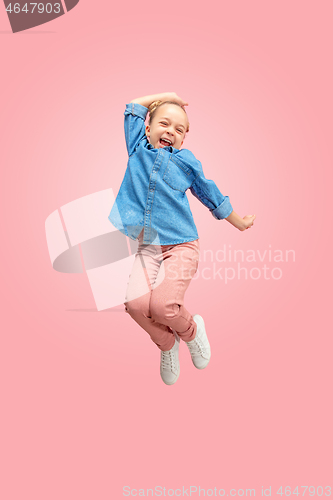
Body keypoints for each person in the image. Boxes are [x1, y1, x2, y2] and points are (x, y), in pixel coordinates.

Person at [108, 92, 256, 385]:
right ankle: (167, 344)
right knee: (135, 306)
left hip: (181, 245)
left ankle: (191, 332)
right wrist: (165, 96)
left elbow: (209, 193)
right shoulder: (137, 148)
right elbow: (134, 107)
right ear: (148, 129)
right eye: (164, 123)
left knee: (162, 306)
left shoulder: (186, 162)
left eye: (179, 130)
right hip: (148, 246)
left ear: (183, 140)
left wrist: (238, 222)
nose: (171, 132)